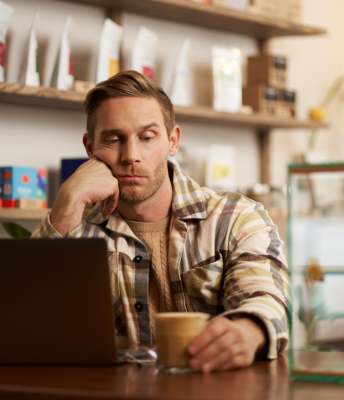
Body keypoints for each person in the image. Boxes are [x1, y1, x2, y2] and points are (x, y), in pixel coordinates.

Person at [32, 70, 290, 373]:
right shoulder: (72, 228)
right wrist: (64, 207)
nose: (131, 155)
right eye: (114, 139)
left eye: (146, 137)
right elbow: (24, 321)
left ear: (173, 141)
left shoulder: (234, 218)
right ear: (90, 148)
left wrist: (250, 330)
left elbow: (264, 298)